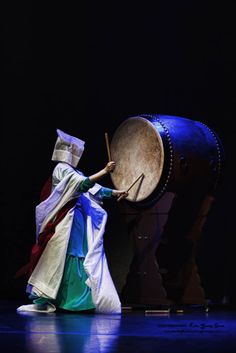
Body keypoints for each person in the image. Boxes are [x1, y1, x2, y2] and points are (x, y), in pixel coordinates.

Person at [16, 129, 128, 314]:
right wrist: (105, 170)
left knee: (79, 254)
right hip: (65, 220)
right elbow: (82, 184)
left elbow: (93, 189)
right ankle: (63, 300)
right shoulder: (61, 169)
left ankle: (79, 301)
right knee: (65, 256)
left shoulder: (73, 171)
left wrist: (115, 193)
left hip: (76, 219)